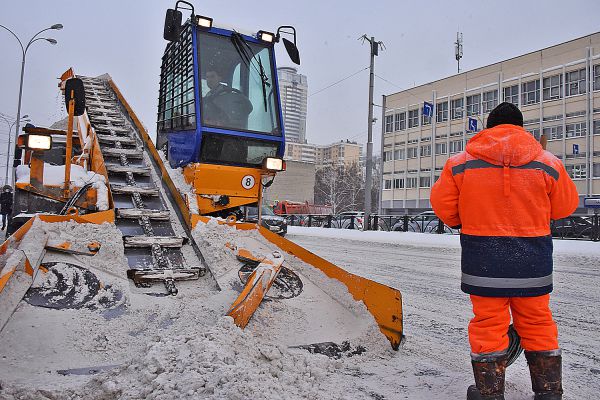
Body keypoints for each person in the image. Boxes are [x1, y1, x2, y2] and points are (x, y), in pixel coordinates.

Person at [430, 102, 578, 400]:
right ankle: (549, 391)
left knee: (488, 323)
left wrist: (465, 219)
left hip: (483, 256)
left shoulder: (460, 163)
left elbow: (444, 207)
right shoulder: (547, 162)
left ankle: (489, 392)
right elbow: (565, 206)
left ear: (488, 127)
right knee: (538, 321)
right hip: (532, 257)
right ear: (521, 128)